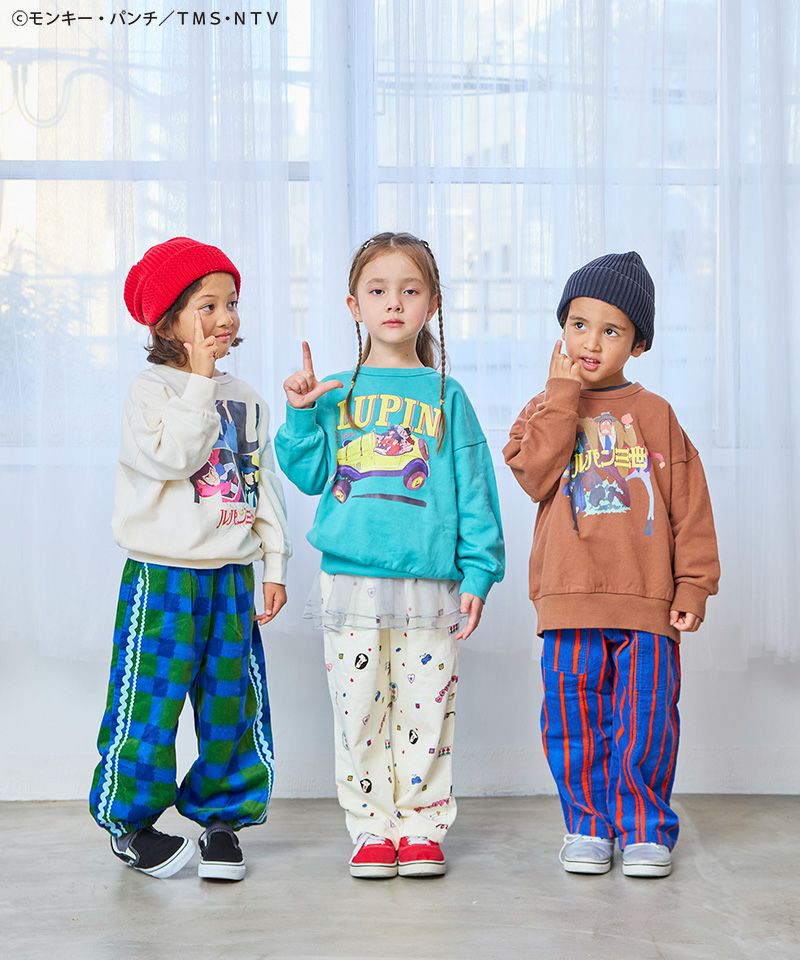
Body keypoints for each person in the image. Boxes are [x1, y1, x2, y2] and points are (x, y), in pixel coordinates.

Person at [275, 232, 505, 879]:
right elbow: (311, 475)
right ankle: (372, 829)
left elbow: (474, 488)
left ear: (433, 303)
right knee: (359, 710)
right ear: (355, 305)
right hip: (350, 581)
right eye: (378, 291)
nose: (394, 303)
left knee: (426, 708)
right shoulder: (334, 392)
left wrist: (480, 571)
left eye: (410, 290)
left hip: (430, 582)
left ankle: (423, 827)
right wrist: (300, 415)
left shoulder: (446, 396)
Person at [503, 251, 720, 878]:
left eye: (611, 330)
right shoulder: (546, 405)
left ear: (638, 343)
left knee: (646, 720)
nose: (590, 342)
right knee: (571, 718)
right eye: (578, 324)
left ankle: (645, 828)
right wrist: (562, 395)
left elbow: (690, 506)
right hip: (568, 597)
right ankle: (588, 826)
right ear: (562, 328)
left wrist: (694, 585)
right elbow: (533, 475)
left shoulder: (657, 416)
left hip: (647, 598)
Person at [89, 237, 290, 881]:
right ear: (168, 320)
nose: (225, 317)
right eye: (208, 305)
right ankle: (130, 824)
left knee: (231, 704)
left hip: (230, 576)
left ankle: (222, 820)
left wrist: (275, 564)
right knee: (148, 701)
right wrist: (200, 383)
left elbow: (261, 484)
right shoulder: (150, 391)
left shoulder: (246, 395)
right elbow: (173, 457)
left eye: (231, 303)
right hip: (163, 575)